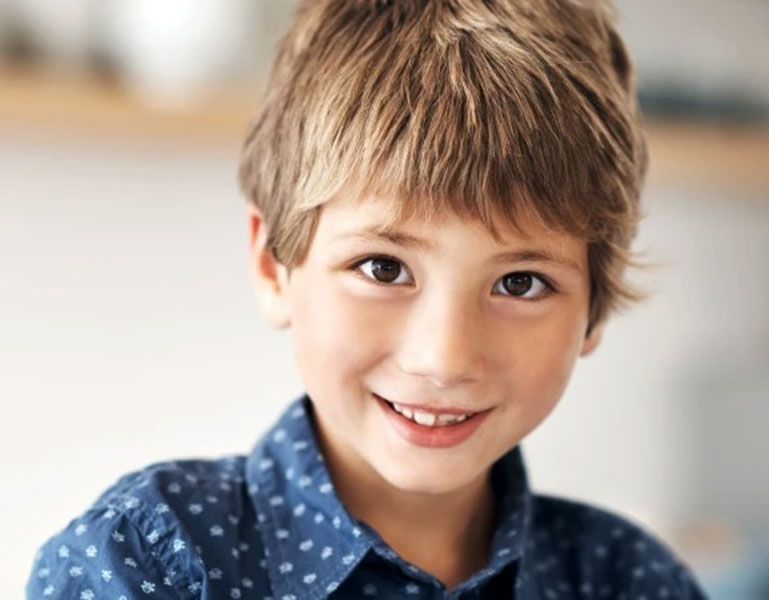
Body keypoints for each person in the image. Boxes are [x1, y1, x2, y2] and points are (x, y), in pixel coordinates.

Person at [26, 0, 708, 598]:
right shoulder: (149, 560)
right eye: (384, 268)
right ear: (273, 265)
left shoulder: (633, 580)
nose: (444, 357)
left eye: (520, 283)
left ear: (594, 306)